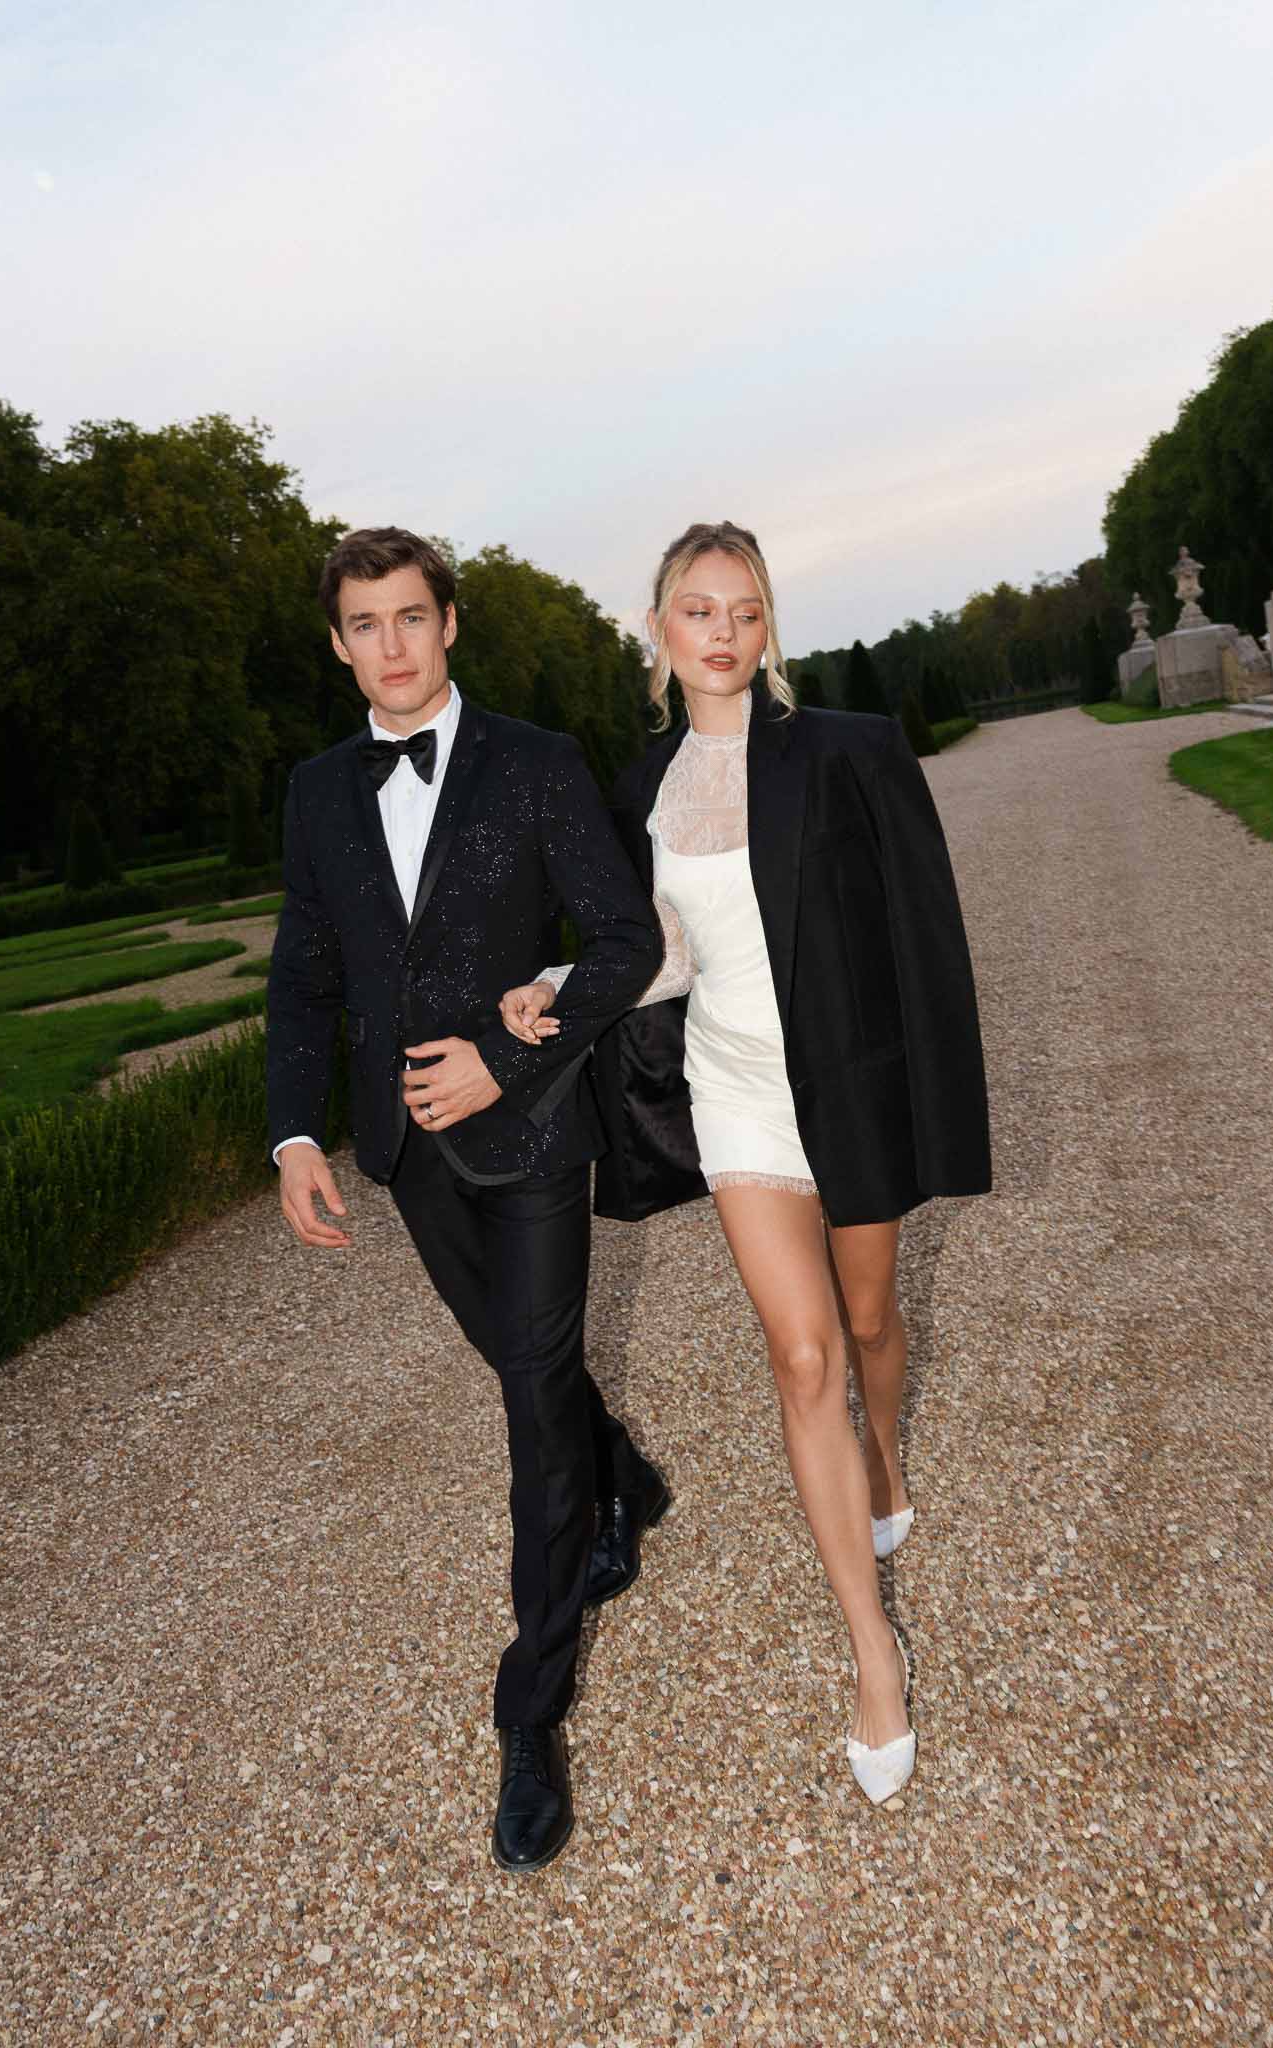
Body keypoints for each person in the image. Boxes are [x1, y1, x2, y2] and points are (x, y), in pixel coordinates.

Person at [498, 521, 990, 1806]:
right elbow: (653, 948)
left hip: (856, 1088)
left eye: (746, 609)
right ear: (657, 630)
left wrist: (938, 1101)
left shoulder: (849, 752)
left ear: (768, 630)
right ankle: (872, 1651)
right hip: (737, 1100)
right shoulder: (639, 788)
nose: (722, 629)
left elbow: (923, 936)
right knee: (802, 1351)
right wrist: (550, 984)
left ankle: (883, 1450)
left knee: (873, 1321)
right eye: (697, 608)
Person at [266, 527, 670, 1873]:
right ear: (339, 643)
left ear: (450, 625)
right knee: (525, 1364)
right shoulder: (317, 793)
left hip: (536, 1133)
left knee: (525, 1401)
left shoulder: (537, 763)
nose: (391, 645)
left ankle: (529, 1709)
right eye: (364, 625)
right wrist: (293, 1133)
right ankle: (626, 1477)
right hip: (404, 1147)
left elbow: (625, 943)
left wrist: (506, 1057)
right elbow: (305, 979)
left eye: (410, 618)